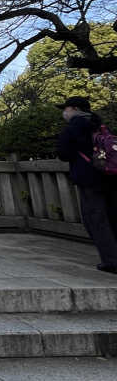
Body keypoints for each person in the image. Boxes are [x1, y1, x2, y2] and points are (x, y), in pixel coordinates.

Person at [56, 95, 117, 273]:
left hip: (90, 178)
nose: (64, 113)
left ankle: (112, 260)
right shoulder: (101, 125)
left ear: (74, 109)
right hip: (111, 175)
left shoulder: (73, 127)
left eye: (65, 109)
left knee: (96, 219)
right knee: (113, 216)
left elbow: (64, 153)